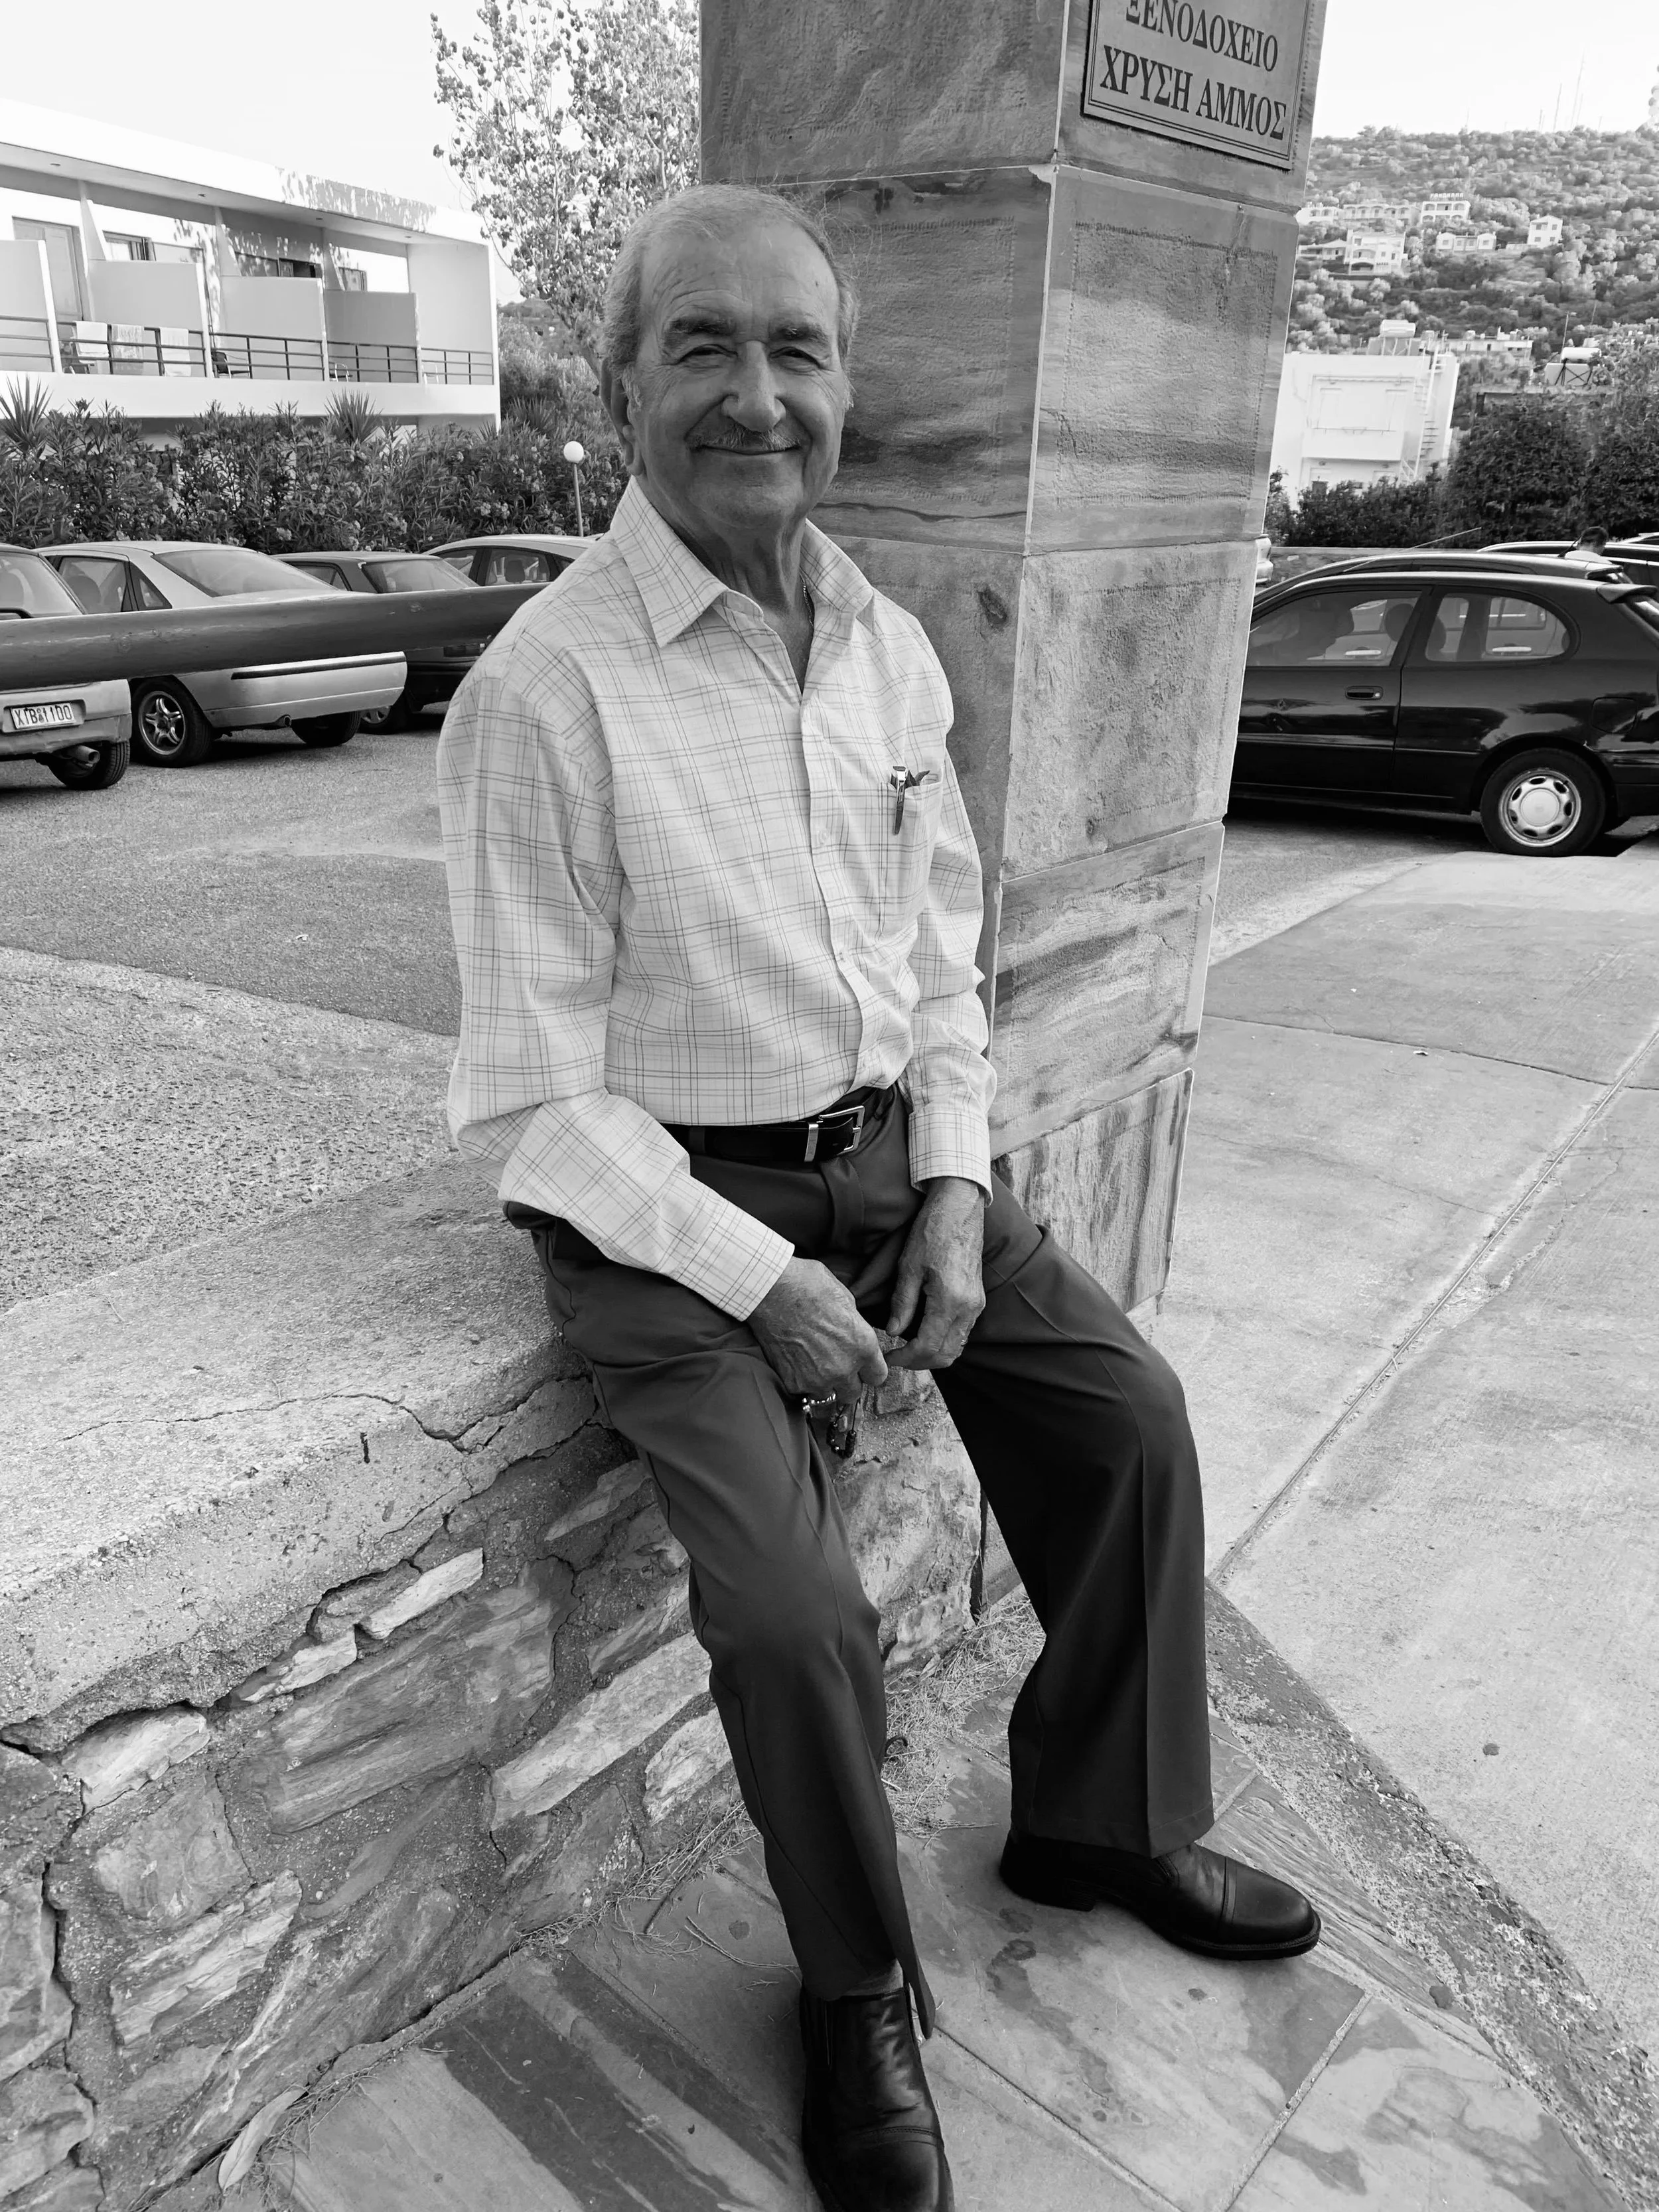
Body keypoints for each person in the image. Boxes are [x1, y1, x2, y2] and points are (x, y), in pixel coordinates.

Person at [437, 183, 1318, 2212]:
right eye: (703, 348)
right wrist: (764, 1283)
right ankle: (854, 1989)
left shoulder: (887, 649)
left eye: (797, 350)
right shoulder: (542, 696)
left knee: (1125, 1415)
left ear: (846, 385)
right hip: (663, 1213)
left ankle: (1097, 1817)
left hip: (881, 1169)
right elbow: (540, 1107)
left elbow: (940, 966)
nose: (757, 394)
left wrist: (949, 1184)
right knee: (792, 1606)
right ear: (617, 385)